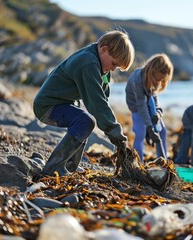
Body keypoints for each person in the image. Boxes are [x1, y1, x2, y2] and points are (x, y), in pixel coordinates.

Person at [33, 30, 135, 176]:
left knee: (85, 120)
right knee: (85, 121)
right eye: (114, 63)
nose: (113, 69)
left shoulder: (101, 65)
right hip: (47, 106)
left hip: (63, 104)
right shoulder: (88, 61)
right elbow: (96, 102)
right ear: (104, 49)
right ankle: (54, 167)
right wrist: (114, 132)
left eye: (117, 67)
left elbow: (103, 97)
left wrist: (112, 129)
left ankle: (69, 165)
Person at [125, 53, 173, 161]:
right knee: (140, 132)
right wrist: (149, 127)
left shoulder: (156, 79)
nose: (158, 82)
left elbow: (154, 101)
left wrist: (158, 113)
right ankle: (138, 162)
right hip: (136, 106)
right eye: (157, 79)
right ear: (151, 71)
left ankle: (163, 161)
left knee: (162, 131)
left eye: (161, 80)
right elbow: (141, 105)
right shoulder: (137, 79)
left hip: (147, 104)